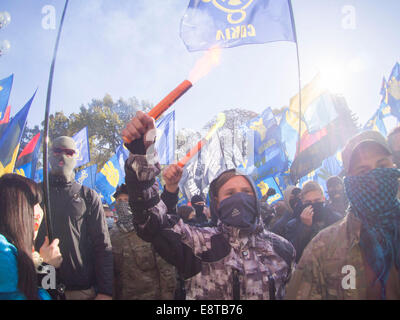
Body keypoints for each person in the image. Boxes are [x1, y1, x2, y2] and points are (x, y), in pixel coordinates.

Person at [121, 111, 295, 300]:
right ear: (217, 202)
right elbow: (152, 222)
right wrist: (142, 154)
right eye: (229, 193)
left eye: (246, 192)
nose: (239, 198)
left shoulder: (283, 249)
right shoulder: (197, 243)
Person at [286, 130, 400, 300]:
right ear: (349, 182)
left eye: (382, 166)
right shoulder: (323, 248)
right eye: (362, 171)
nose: (376, 177)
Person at [35, 136, 113, 300]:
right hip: (40, 287)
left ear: (76, 157)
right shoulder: (34, 193)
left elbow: (102, 245)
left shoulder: (88, 196)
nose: (62, 157)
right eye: (57, 152)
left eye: (69, 152)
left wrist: (106, 291)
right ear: (49, 155)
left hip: (80, 291)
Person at [0, 174, 62, 300]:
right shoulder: (3, 253)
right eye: (33, 203)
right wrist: (48, 268)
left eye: (40, 204)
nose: (39, 212)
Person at [110, 183, 177, 300]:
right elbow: (112, 274)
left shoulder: (149, 230)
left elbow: (166, 271)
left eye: (126, 199)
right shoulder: (113, 234)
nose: (122, 203)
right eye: (119, 200)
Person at [286, 181, 342, 263]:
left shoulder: (336, 218)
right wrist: (305, 227)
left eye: (317, 201)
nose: (313, 205)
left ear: (323, 198)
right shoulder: (292, 225)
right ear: (302, 202)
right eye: (308, 202)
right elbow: (294, 254)